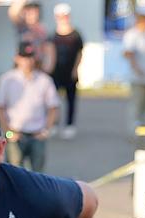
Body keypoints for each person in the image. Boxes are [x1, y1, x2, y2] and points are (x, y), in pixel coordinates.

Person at [0, 42, 59, 172]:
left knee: (39, 174)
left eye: (30, 57)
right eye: (24, 57)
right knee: (14, 173)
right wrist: (8, 132)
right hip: (15, 133)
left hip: (37, 133)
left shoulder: (44, 80)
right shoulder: (7, 79)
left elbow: (53, 107)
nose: (27, 61)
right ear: (17, 58)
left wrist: (46, 130)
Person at [50, 3, 83, 139]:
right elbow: (50, 53)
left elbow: (80, 53)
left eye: (64, 16)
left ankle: (69, 125)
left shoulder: (75, 35)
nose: (62, 18)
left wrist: (76, 69)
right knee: (53, 100)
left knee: (71, 100)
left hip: (70, 72)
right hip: (56, 72)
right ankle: (54, 124)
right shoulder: (53, 35)